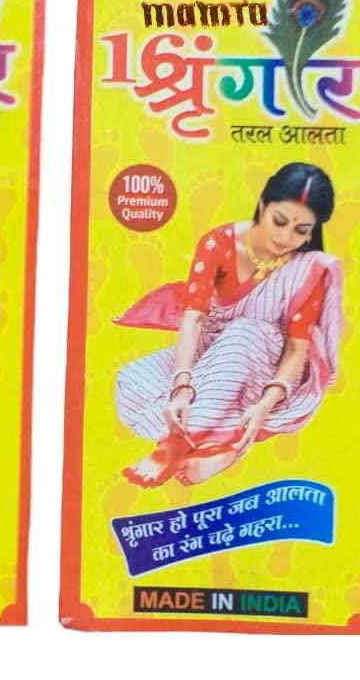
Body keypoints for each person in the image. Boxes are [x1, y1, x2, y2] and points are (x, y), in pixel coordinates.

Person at [117, 163, 341, 489]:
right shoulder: (219, 243)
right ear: (263, 204)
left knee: (244, 333)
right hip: (217, 345)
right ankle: (222, 446)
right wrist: (182, 386)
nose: (285, 237)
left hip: (272, 365)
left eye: (301, 230)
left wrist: (264, 406)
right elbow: (194, 316)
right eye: (279, 221)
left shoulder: (308, 269)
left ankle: (176, 446)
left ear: (312, 231)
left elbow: (297, 346)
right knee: (133, 378)